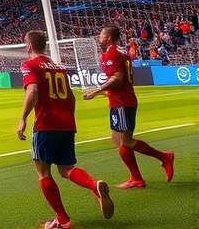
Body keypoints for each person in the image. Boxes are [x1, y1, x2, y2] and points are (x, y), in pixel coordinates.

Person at [17, 30, 113, 229]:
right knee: (67, 169)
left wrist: (23, 119)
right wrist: (68, 118)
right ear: (44, 45)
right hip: (66, 124)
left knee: (43, 173)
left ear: (28, 46)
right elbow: (70, 97)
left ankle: (63, 220)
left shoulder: (29, 65)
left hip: (45, 125)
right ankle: (93, 185)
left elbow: (33, 91)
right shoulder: (59, 67)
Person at [83, 25, 175, 189]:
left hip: (122, 103)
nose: (99, 37)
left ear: (109, 38)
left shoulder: (111, 53)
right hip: (121, 100)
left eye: (102, 35)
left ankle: (163, 157)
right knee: (118, 139)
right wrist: (99, 94)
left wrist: (97, 90)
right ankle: (136, 177)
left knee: (125, 140)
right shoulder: (122, 52)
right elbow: (122, 82)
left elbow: (117, 78)